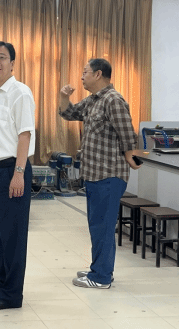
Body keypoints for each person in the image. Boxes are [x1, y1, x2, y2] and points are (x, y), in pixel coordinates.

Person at [59, 58, 140, 289]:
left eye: (85, 72)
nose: (81, 76)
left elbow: (128, 134)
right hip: (95, 175)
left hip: (109, 175)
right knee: (98, 226)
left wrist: (130, 157)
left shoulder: (113, 100)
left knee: (103, 227)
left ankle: (101, 277)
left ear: (98, 74)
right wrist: (64, 97)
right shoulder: (94, 100)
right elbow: (70, 113)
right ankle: (100, 268)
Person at [0, 41, 35, 310]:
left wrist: (19, 173)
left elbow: (25, 135)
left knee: (13, 235)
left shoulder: (19, 93)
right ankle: (1, 280)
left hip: (13, 170)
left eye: (2, 57)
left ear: (12, 63)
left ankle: (12, 294)